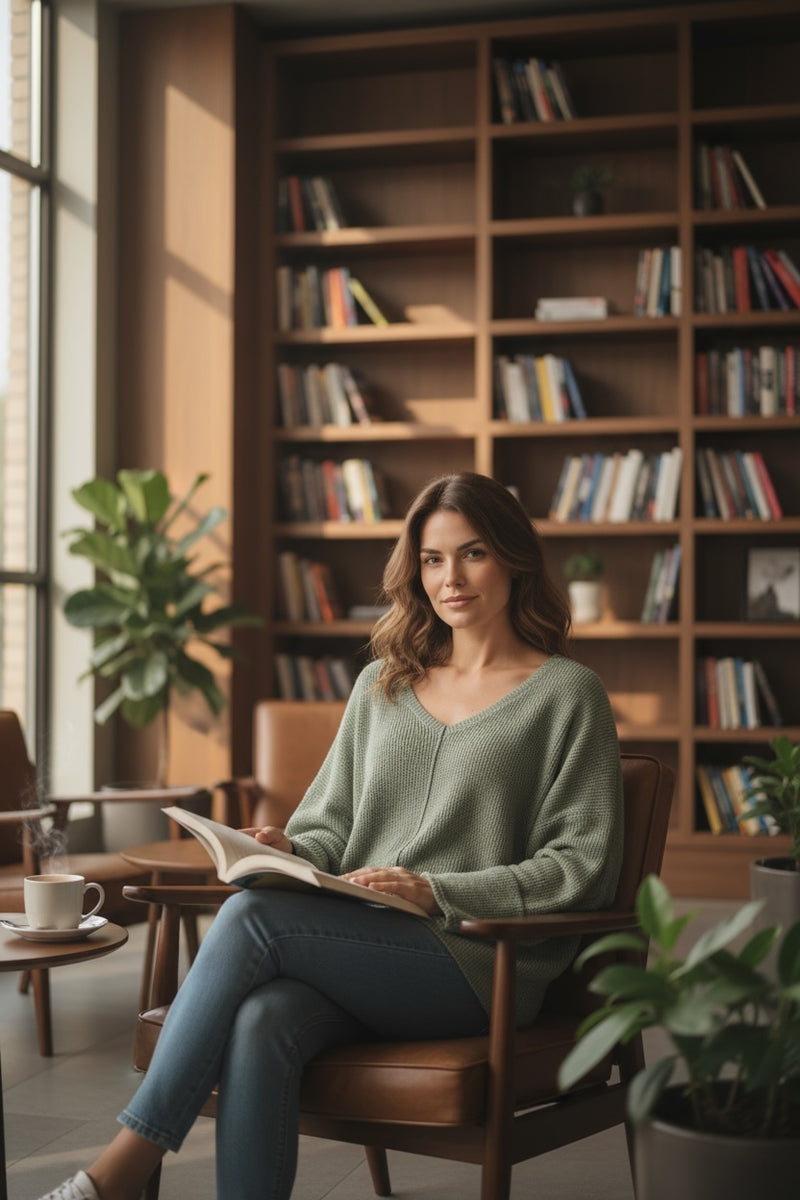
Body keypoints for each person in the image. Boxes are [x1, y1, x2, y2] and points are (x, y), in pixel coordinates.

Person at [40, 471, 623, 1200]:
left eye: (472, 554)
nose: (451, 578)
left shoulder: (568, 693)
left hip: (475, 963)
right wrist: (286, 851)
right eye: (433, 559)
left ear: (513, 558)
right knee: (262, 1020)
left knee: (254, 921)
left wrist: (437, 889)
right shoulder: (383, 684)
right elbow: (327, 826)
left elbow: (583, 865)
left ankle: (120, 1170)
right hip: (361, 947)